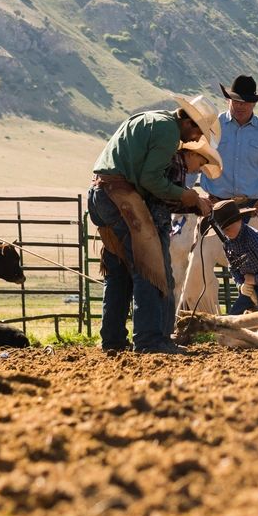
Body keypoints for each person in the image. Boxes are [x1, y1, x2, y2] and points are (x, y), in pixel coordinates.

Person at [88, 94, 222, 355]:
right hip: (121, 197)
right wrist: (187, 196)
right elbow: (151, 180)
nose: (196, 140)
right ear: (189, 123)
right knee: (151, 269)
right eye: (198, 133)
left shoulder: (148, 119)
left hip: (101, 194)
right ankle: (150, 340)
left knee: (119, 271)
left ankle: (113, 339)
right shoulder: (168, 132)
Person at [207, 74, 258, 242]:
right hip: (215, 207)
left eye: (245, 102)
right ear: (228, 100)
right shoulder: (212, 126)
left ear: (254, 103)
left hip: (251, 210)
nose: (239, 106)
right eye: (235, 101)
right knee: (199, 263)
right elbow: (196, 159)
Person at [208, 199, 258, 313]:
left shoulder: (255, 239)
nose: (226, 233)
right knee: (233, 317)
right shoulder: (227, 244)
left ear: (239, 221)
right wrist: (240, 285)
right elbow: (233, 268)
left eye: (228, 228)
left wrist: (254, 280)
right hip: (248, 287)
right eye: (223, 230)